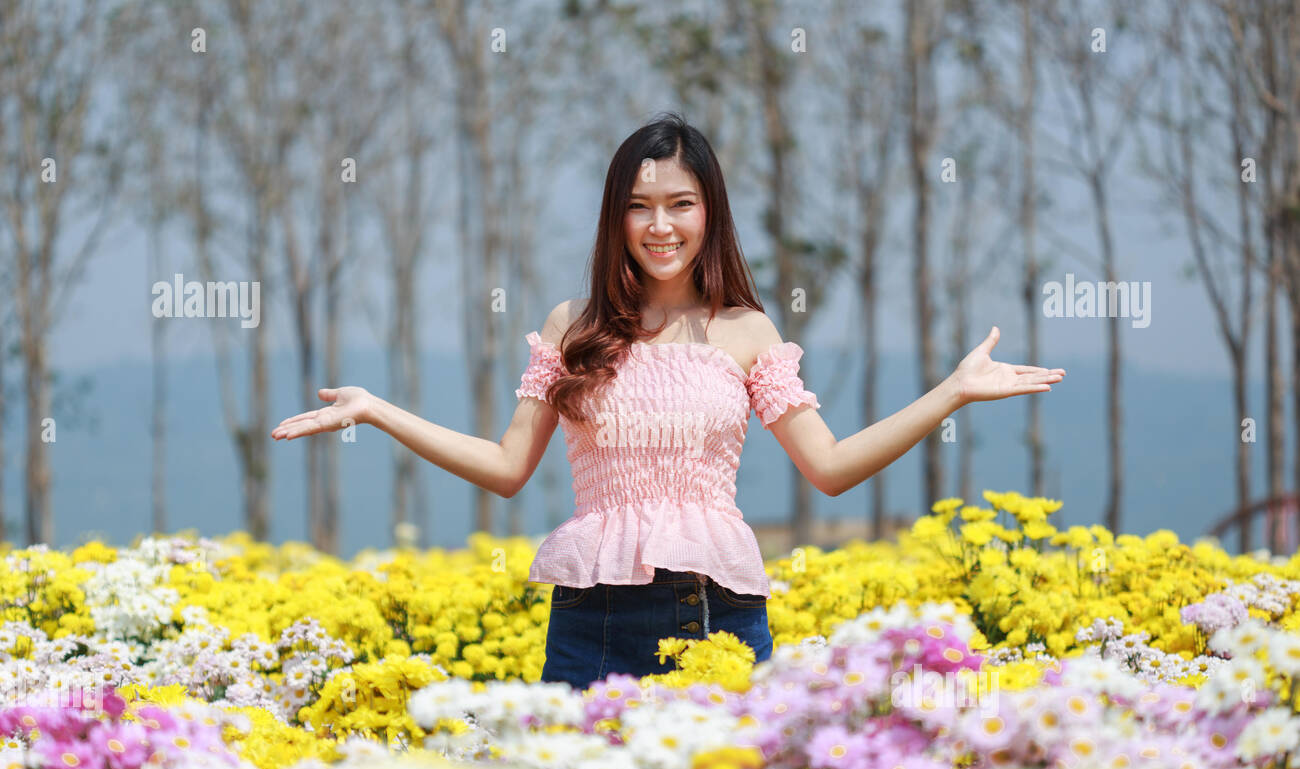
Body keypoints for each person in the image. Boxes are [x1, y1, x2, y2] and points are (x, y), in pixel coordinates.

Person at [270, 111, 1065, 692]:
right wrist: (378, 409)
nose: (661, 226)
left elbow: (829, 466)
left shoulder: (746, 331)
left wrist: (952, 393)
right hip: (590, 616)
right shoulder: (571, 328)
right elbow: (509, 467)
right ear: (616, 216)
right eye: (640, 205)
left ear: (709, 211)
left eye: (681, 203)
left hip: (712, 613)